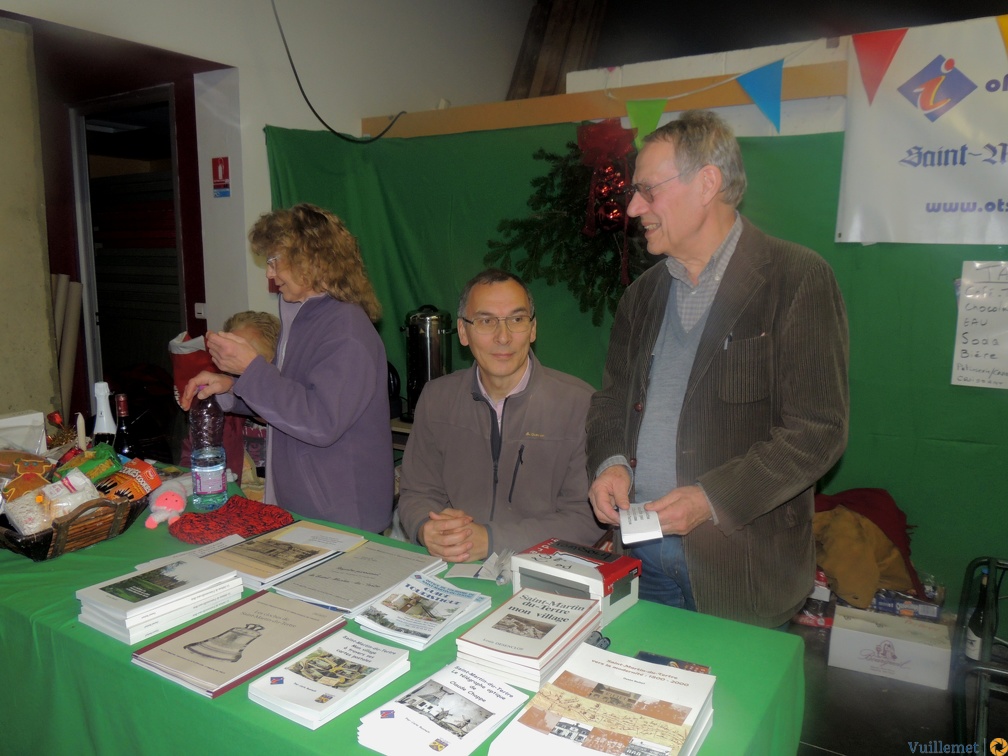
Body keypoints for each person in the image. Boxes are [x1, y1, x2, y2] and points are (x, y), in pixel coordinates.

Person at [586, 110, 849, 628]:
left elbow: (818, 433)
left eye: (648, 190)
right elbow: (612, 399)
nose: (634, 207)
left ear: (707, 183)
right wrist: (610, 461)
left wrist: (711, 499)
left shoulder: (796, 279)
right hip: (640, 560)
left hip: (743, 571)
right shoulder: (641, 297)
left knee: (727, 709)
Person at [181, 203, 393, 532]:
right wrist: (230, 387)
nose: (269, 273)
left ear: (312, 259)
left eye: (274, 261)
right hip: (307, 506)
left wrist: (250, 369)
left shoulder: (346, 333)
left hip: (342, 518)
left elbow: (320, 422)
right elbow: (288, 399)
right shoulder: (303, 316)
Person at [397, 268, 603, 562]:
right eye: (485, 321)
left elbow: (586, 519)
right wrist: (425, 527)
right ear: (464, 332)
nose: (503, 337)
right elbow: (416, 492)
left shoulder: (580, 404)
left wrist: (492, 541)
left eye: (516, 320)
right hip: (452, 568)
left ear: (533, 329)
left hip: (543, 572)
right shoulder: (437, 398)